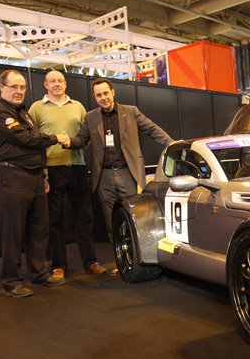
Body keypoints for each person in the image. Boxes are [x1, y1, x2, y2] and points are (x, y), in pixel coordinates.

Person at [62, 78, 174, 275]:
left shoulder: (130, 112)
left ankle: (141, 262)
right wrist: (67, 141)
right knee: (111, 222)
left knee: (133, 219)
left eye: (106, 93)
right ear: (95, 97)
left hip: (127, 173)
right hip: (103, 176)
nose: (103, 98)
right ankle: (122, 262)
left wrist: (171, 144)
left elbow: (151, 128)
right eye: (98, 95)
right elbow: (81, 140)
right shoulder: (91, 117)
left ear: (113, 92)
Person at [0, 69, 69, 297]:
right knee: (12, 231)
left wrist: (43, 175)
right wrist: (56, 138)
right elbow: (27, 139)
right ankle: (12, 281)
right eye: (14, 87)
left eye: (22, 87)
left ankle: (39, 273)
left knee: (39, 228)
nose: (19, 91)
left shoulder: (24, 113)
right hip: (11, 177)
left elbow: (34, 145)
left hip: (34, 177)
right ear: (1, 87)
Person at [28, 70, 107, 278]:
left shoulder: (78, 106)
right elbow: (32, 139)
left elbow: (86, 135)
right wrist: (42, 169)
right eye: (52, 81)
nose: (57, 84)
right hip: (51, 169)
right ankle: (58, 265)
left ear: (65, 84)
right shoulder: (36, 108)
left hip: (77, 167)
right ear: (45, 84)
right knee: (54, 220)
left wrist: (78, 150)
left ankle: (90, 262)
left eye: (60, 81)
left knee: (85, 218)